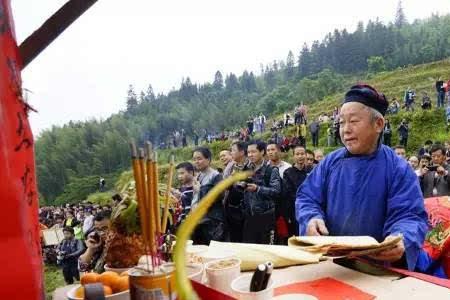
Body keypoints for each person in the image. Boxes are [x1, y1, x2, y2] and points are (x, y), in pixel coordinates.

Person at [296, 84, 428, 271]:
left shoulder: (397, 168)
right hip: (331, 265)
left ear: (378, 124)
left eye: (354, 121)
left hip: (377, 269)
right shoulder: (329, 163)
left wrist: (401, 238)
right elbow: (307, 197)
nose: (345, 130)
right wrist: (311, 218)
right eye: (341, 122)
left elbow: (409, 215)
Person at [242, 140, 281, 244]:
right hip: (249, 216)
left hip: (266, 217)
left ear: (262, 152)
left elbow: (276, 191)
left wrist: (257, 189)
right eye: (248, 152)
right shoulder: (246, 169)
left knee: (267, 249)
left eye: (253, 152)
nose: (250, 155)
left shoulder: (271, 170)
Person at [191, 147, 226, 245]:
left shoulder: (216, 176)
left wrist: (200, 190)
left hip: (212, 221)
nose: (196, 162)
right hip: (199, 221)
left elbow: (219, 195)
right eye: (194, 159)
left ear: (208, 159)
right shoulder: (198, 176)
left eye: (199, 158)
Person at [280, 146, 313, 243]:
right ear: (293, 156)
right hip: (295, 209)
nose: (300, 156)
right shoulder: (288, 172)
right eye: (297, 154)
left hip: (310, 208)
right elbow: (288, 194)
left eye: (302, 154)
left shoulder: (311, 170)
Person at [223, 141, 251, 242]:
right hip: (231, 208)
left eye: (233, 150)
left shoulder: (250, 166)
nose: (231, 153)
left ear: (242, 152)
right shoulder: (231, 167)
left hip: (246, 209)